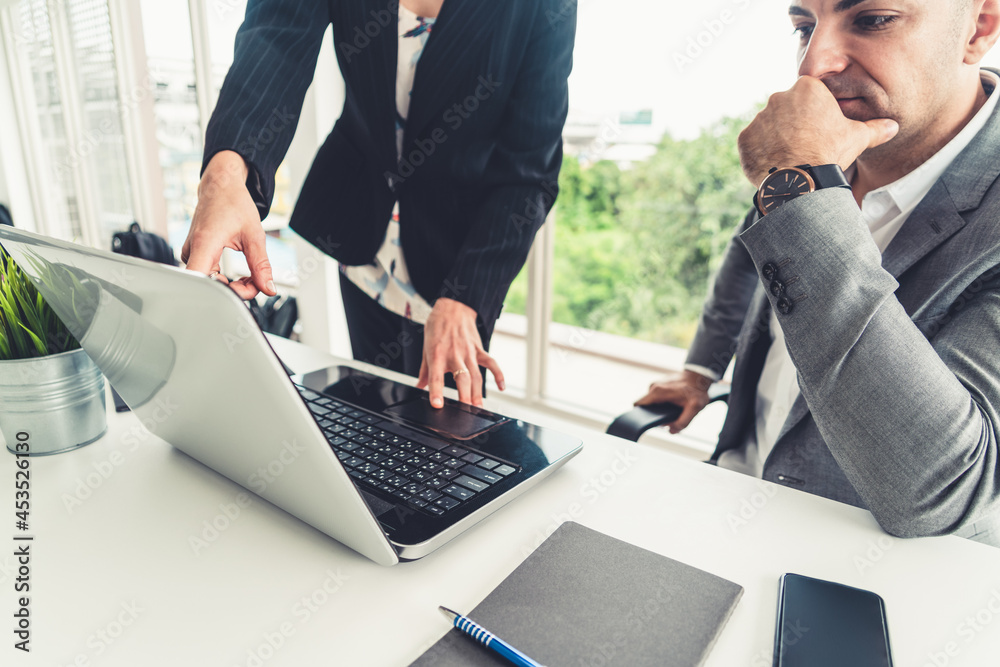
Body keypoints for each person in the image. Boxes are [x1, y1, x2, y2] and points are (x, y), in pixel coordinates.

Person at [634, 0, 1000, 546]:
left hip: (865, 581)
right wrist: (699, 370)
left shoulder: (806, 161)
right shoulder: (820, 148)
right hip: (733, 504)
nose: (812, 67)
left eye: (873, 19)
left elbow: (940, 490)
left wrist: (801, 187)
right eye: (803, 27)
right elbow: (748, 256)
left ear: (979, 27)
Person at [182, 0, 576, 409]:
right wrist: (224, 178)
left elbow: (530, 172)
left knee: (447, 435)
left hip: (458, 260)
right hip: (362, 232)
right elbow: (276, 39)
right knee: (373, 419)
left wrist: (468, 296)